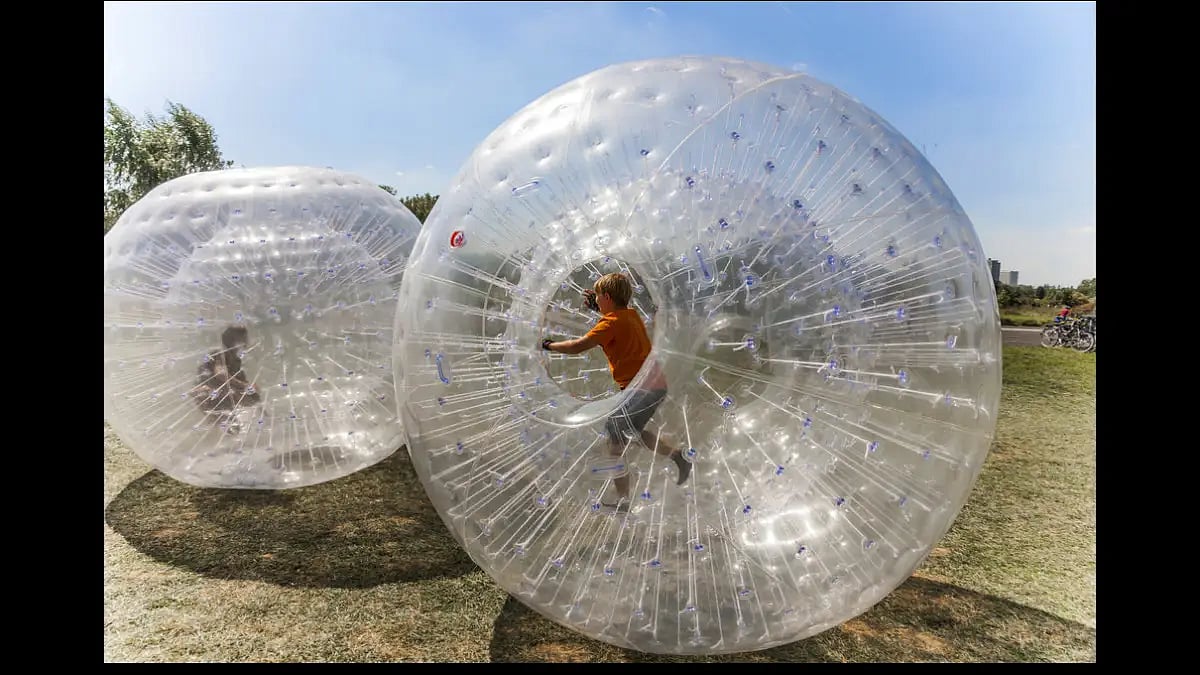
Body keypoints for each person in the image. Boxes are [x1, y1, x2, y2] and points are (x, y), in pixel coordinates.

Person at [542, 273, 691, 511]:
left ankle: (623, 501)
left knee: (615, 441)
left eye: (598, 297)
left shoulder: (609, 324)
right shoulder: (630, 315)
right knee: (632, 432)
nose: (596, 301)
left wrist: (548, 345)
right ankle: (677, 457)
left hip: (641, 389)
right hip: (653, 386)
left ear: (607, 298)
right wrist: (599, 309)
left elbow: (577, 346)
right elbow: (615, 323)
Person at [191, 325, 261, 430]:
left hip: (219, 398)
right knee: (229, 427)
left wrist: (250, 391)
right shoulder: (220, 354)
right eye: (243, 338)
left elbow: (247, 389)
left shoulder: (235, 360)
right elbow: (220, 374)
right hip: (208, 395)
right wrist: (244, 385)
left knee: (230, 428)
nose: (246, 341)